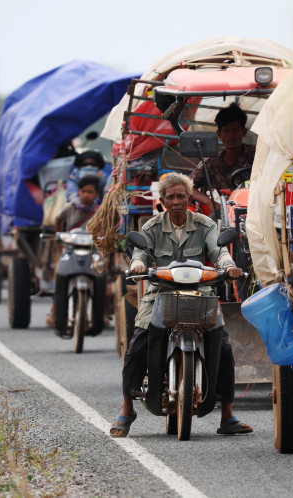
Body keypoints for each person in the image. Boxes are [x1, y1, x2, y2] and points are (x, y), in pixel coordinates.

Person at [109, 172, 253, 438]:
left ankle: (228, 415)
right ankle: (127, 408)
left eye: (181, 196)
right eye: (170, 197)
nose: (176, 201)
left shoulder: (206, 224)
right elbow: (140, 252)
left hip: (200, 293)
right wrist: (138, 264)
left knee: (222, 346)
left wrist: (229, 266)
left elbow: (218, 250)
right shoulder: (151, 227)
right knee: (138, 344)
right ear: (162, 200)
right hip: (160, 294)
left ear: (189, 199)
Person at [46, 175, 102, 327]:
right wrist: (60, 238)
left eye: (90, 192)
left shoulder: (99, 211)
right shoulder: (70, 207)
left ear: (96, 194)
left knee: (102, 277)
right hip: (70, 250)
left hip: (92, 250)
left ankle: (100, 313)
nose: (86, 195)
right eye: (83, 191)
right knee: (60, 276)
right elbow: (58, 220)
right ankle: (55, 311)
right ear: (78, 191)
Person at [189, 103, 256, 213]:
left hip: (254, 210)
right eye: (226, 131)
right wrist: (209, 202)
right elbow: (188, 186)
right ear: (219, 133)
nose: (231, 136)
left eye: (235, 130)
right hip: (225, 214)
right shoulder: (211, 161)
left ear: (243, 132)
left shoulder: (255, 154)